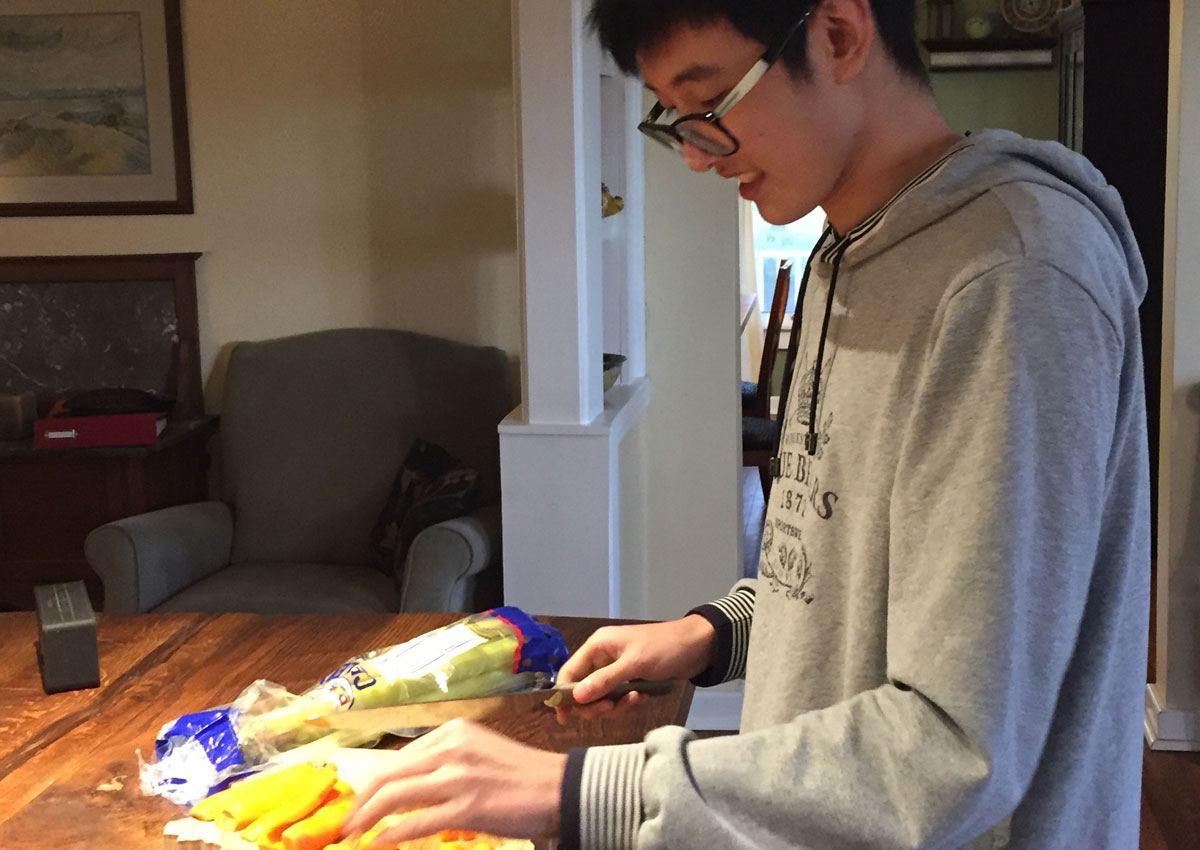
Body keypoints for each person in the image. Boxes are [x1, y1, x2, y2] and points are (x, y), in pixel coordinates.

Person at [343, 0, 1151, 847]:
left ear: (838, 33)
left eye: (711, 101)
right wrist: (713, 632)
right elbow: (857, 571)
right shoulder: (851, 249)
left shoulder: (1015, 279)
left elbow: (954, 747)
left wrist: (582, 791)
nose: (695, 154)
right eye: (675, 117)